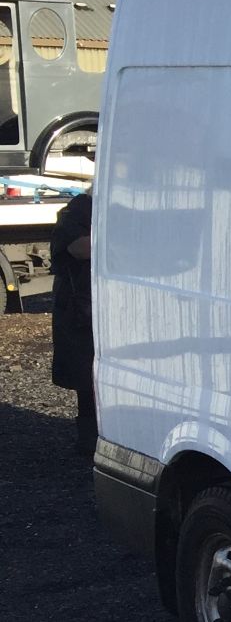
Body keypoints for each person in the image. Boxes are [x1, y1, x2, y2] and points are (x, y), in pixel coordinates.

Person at [49, 188, 95, 454]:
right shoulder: (75, 212)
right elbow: (79, 248)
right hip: (78, 306)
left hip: (97, 303)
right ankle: (88, 440)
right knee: (85, 374)